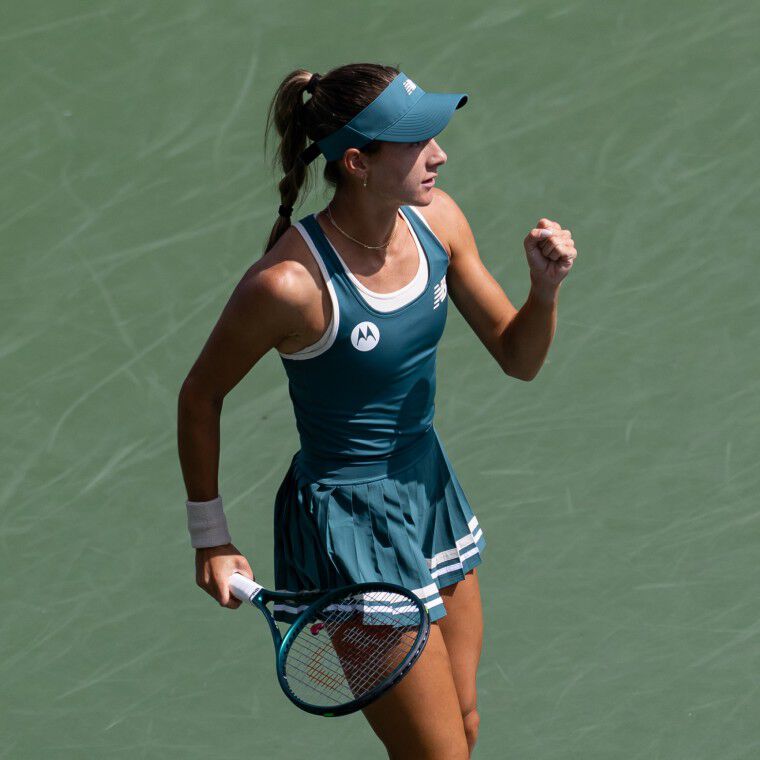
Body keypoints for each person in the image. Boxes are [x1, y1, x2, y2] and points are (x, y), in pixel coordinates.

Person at [177, 62, 577, 759]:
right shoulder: (290, 285)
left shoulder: (438, 221)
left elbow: (518, 357)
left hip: (428, 492)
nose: (439, 155)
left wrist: (543, 293)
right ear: (358, 163)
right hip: (347, 527)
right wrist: (210, 537)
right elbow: (200, 395)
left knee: (465, 723)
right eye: (417, 142)